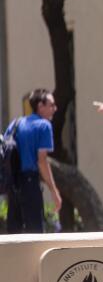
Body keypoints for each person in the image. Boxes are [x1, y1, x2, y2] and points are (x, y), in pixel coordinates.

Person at [4, 89, 61, 233]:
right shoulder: (44, 126)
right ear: (40, 106)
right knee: (35, 232)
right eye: (51, 105)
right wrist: (54, 191)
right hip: (29, 182)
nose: (55, 109)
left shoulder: (15, 123)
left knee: (13, 233)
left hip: (12, 183)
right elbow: (42, 161)